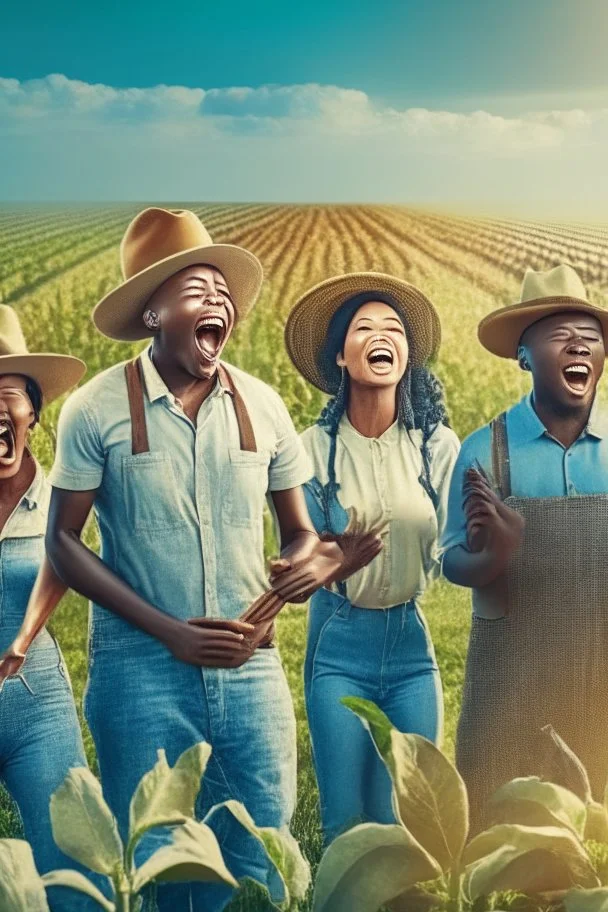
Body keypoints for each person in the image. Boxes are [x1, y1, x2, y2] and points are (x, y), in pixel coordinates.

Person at [41, 208, 344, 911]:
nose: (217, 301)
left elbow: (299, 531)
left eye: (222, 291)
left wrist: (304, 563)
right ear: (152, 311)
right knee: (157, 864)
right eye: (195, 289)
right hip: (141, 671)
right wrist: (171, 631)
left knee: (260, 857)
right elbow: (63, 540)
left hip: (250, 669)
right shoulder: (94, 410)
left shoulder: (264, 407)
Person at [284, 272, 460, 844]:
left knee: (408, 821)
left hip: (411, 644)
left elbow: (459, 548)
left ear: (407, 355)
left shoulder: (437, 447)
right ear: (340, 354)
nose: (381, 335)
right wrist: (332, 561)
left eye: (393, 329)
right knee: (345, 821)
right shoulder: (310, 452)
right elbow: (300, 551)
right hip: (338, 644)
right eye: (364, 327)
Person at [441, 264, 608, 832]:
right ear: (524, 355)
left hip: (601, 675)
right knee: (504, 838)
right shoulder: (484, 450)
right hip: (513, 684)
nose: (579, 344)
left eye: (590, 336)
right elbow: (452, 562)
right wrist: (492, 557)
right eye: (560, 335)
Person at [0, 305, 96, 911]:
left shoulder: (62, 493)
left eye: (7, 393)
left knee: (78, 873)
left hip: (37, 703)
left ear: (32, 410)